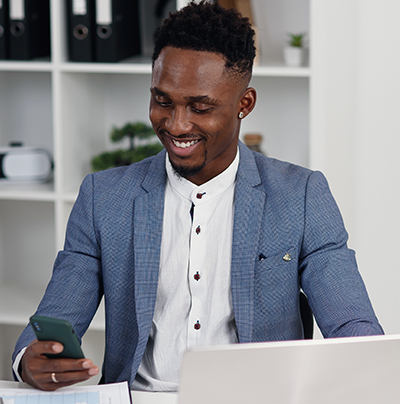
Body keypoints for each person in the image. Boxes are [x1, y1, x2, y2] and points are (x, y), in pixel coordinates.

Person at [13, 0, 383, 392]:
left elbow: (351, 324)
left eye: (200, 107)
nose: (176, 125)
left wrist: (366, 369)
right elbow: (57, 316)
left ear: (244, 104)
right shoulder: (103, 198)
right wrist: (31, 360)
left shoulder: (301, 196)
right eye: (163, 101)